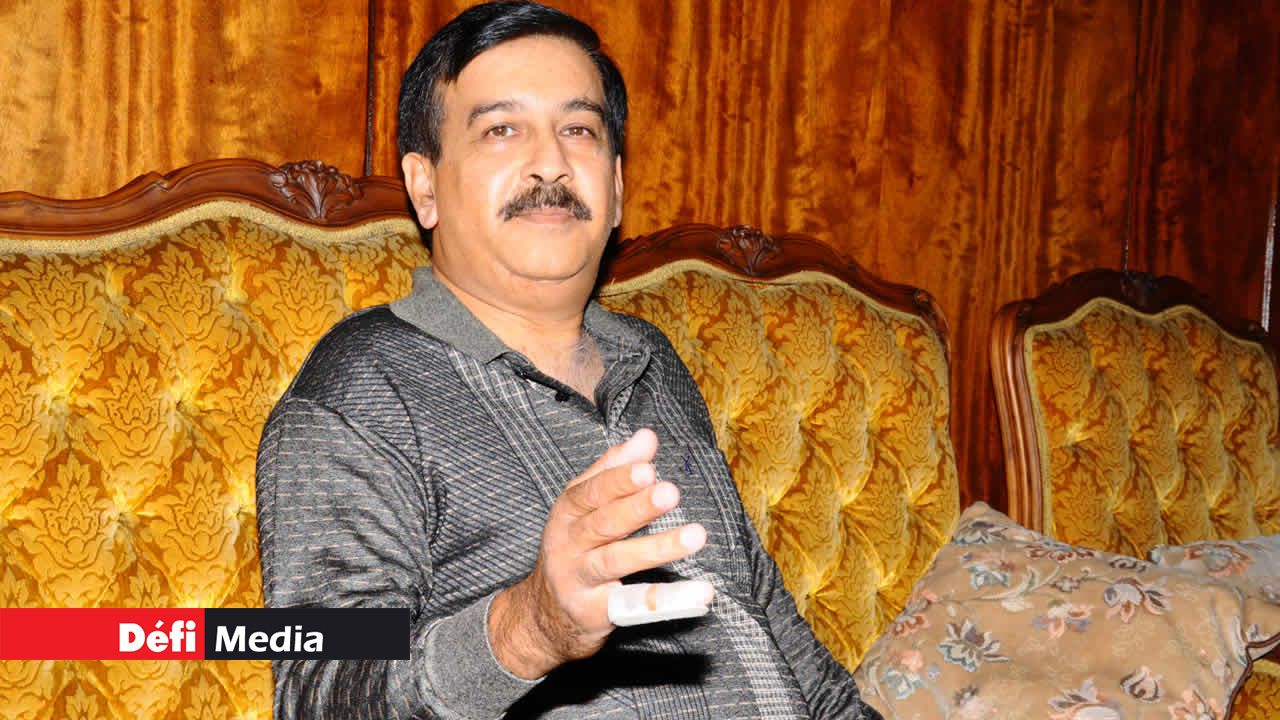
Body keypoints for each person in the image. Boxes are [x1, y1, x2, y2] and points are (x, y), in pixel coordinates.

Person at [255, 2, 880, 718]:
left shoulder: (654, 361)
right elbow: (322, 691)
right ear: (425, 187)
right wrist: (529, 629)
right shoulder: (359, 388)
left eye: (578, 129)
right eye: (501, 129)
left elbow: (776, 633)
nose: (550, 161)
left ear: (616, 187)